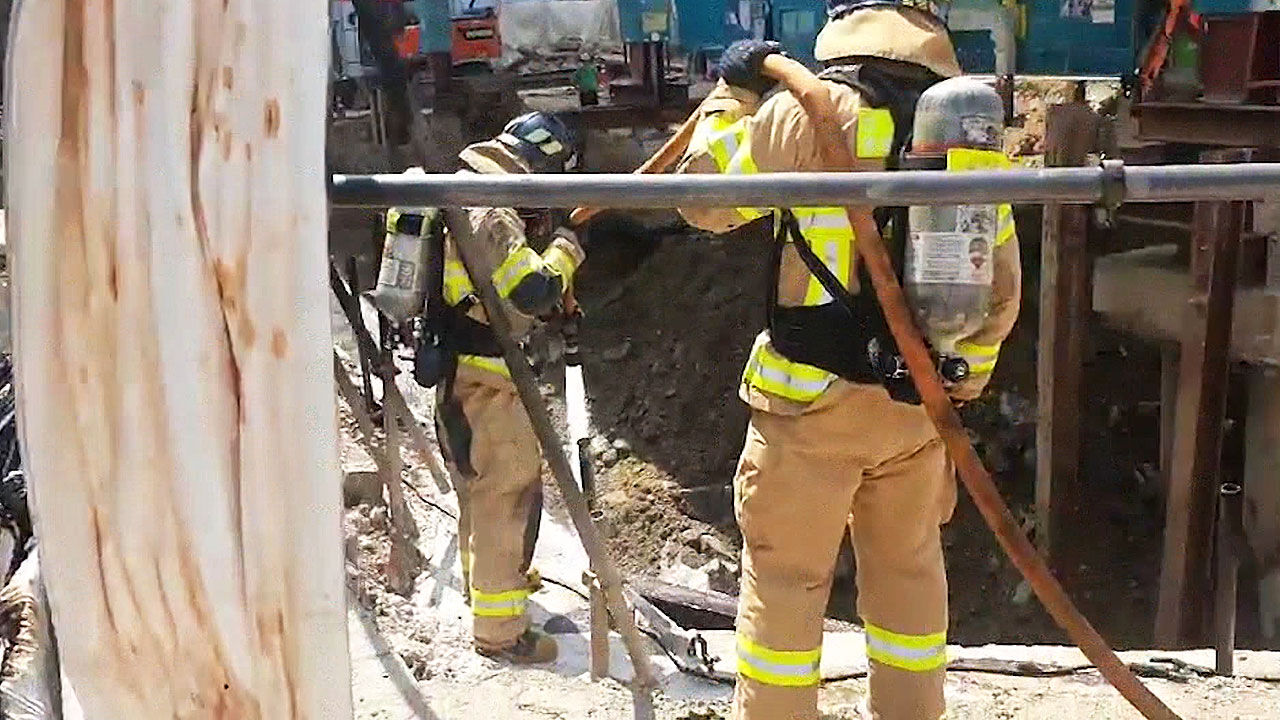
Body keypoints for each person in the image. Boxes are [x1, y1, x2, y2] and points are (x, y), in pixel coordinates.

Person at [671, 3, 1021, 718]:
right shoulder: (965, 132)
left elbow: (702, 195)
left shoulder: (807, 107)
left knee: (788, 586)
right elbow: (1001, 287)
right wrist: (960, 383)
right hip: (915, 411)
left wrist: (731, 91)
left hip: (807, 410)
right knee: (909, 579)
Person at [386, 111, 584, 664]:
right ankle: (500, 632)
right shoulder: (491, 208)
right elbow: (534, 290)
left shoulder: (467, 188)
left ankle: (488, 582)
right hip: (486, 380)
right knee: (507, 494)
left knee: (479, 487)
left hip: (461, 373)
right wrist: (568, 245)